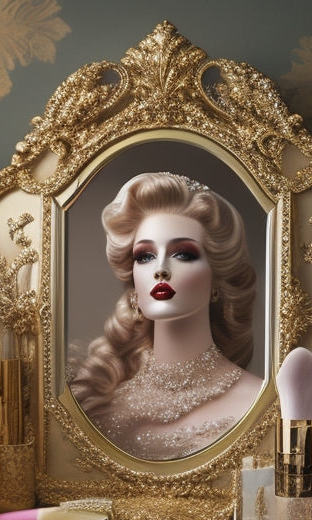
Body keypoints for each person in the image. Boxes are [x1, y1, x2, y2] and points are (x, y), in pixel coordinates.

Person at [69, 171, 261, 460]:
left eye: (183, 254)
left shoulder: (260, 402)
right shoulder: (101, 399)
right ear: (132, 279)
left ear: (216, 282)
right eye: (144, 256)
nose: (160, 268)